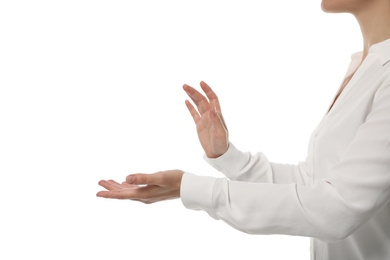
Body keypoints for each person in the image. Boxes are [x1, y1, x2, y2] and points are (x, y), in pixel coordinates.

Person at [96, 0, 390, 259]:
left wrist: (190, 188)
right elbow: (314, 180)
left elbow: (336, 209)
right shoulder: (365, 65)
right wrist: (228, 157)